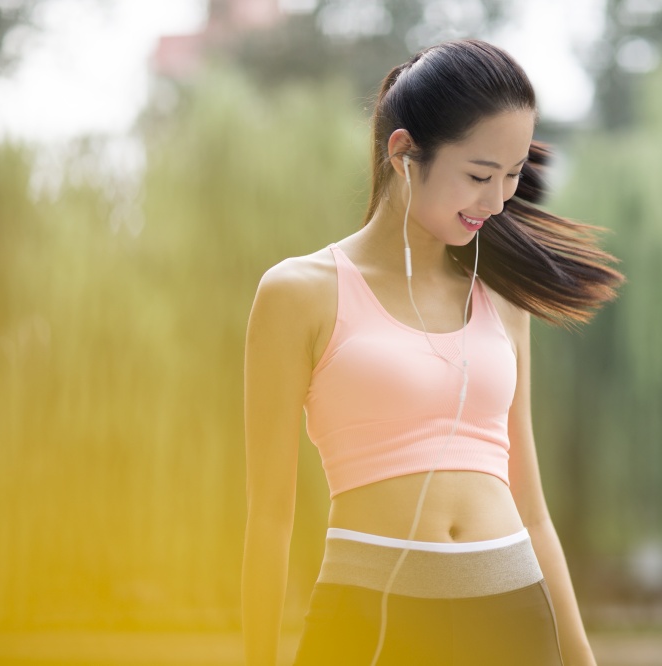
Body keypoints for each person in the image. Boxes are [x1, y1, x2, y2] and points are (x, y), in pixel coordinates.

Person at [242, 39, 623, 666]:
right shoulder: (298, 294)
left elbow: (532, 508)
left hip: (513, 620)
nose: (498, 201)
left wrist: (581, 656)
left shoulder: (500, 299)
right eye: (478, 175)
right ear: (403, 154)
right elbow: (268, 519)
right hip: (367, 620)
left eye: (512, 175)